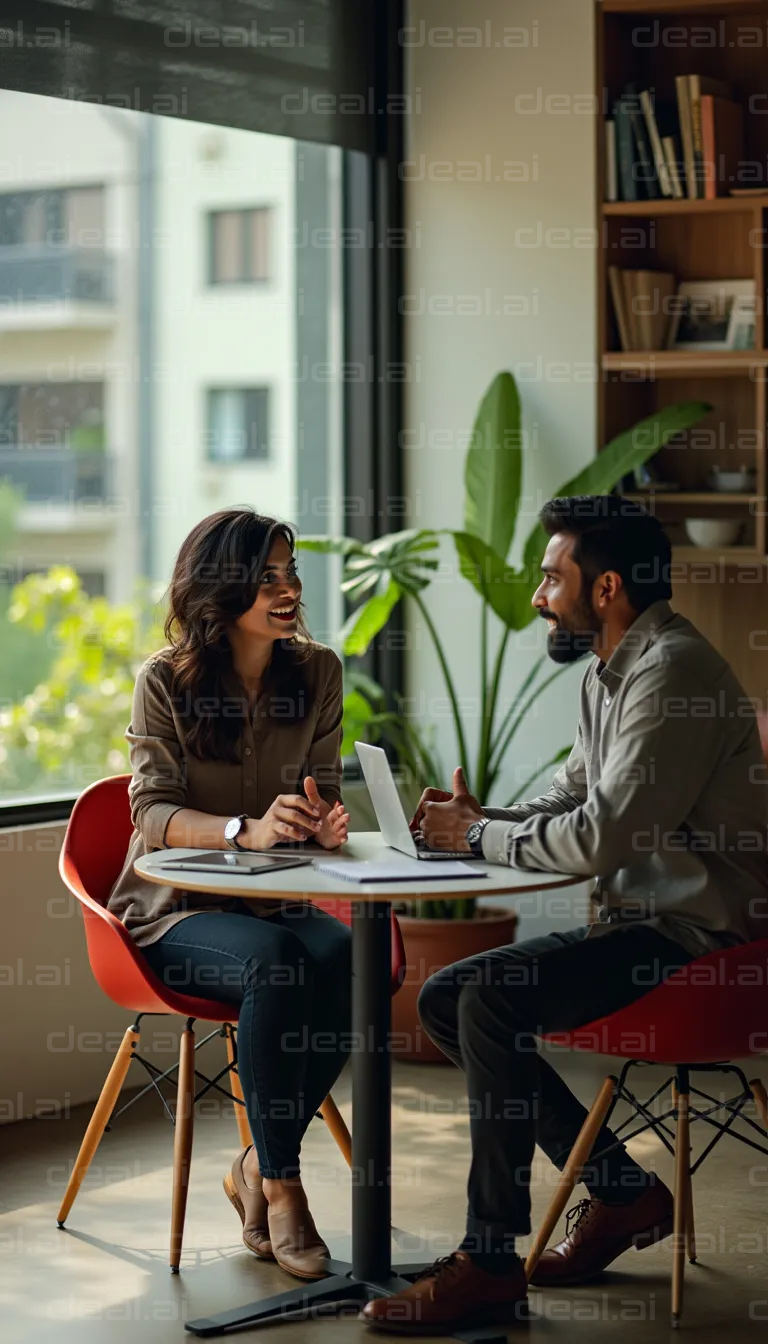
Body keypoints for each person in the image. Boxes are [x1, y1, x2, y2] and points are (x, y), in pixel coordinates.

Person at [362, 495, 768, 1333]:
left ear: (607, 585)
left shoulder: (674, 673)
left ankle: (489, 1262)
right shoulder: (611, 670)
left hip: (706, 947)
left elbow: (605, 836)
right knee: (448, 995)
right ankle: (621, 1194)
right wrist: (482, 824)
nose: (541, 596)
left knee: (488, 997)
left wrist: (476, 833)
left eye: (552, 577)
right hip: (645, 929)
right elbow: (573, 796)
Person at [108, 507, 351, 1281]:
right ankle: (283, 1187)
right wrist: (243, 829)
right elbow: (150, 814)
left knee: (350, 953)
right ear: (223, 588)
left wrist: (322, 820)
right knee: (278, 964)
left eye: (290, 574)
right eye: (266, 576)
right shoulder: (163, 681)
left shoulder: (318, 673)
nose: (286, 590)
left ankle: (254, 1163)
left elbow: (326, 785)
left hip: (271, 902)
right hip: (174, 914)